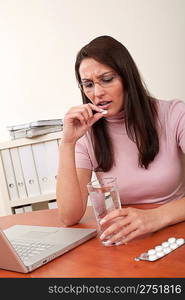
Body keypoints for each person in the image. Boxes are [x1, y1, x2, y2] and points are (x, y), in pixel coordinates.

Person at [56, 35, 185, 245]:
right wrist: (67, 143)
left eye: (107, 80)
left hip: (176, 230)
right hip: (129, 236)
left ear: (128, 78)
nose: (97, 93)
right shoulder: (86, 133)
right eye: (88, 84)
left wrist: (156, 217)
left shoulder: (174, 114)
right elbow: (69, 217)